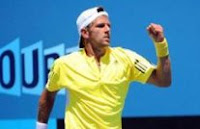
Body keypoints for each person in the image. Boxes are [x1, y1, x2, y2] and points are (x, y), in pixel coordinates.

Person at [36, 6, 171, 129]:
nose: (107, 30)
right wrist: (41, 127)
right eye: (100, 26)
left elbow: (163, 80)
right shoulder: (64, 64)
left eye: (109, 26)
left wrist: (161, 45)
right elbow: (48, 95)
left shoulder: (127, 59)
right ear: (85, 33)